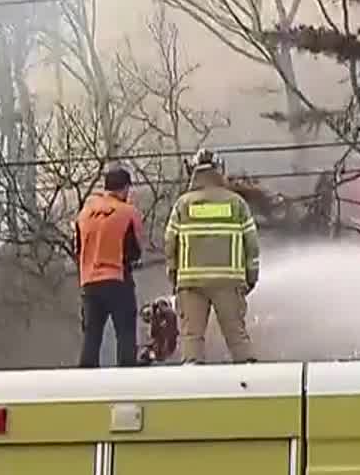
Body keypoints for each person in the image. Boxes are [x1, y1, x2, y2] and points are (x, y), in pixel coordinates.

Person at [163, 149, 259, 363]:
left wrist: (174, 277)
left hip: (191, 283)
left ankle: (194, 387)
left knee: (192, 339)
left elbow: (170, 243)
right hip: (228, 281)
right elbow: (252, 244)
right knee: (237, 338)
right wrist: (250, 278)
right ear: (219, 170)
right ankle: (251, 384)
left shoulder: (183, 204)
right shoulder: (237, 204)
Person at [75, 165, 146, 368]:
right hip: (117, 278)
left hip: (89, 282)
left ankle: (87, 375)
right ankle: (126, 373)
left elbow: (78, 248)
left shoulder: (85, 213)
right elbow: (135, 250)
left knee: (92, 334)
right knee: (125, 332)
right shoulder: (128, 212)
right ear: (125, 189)